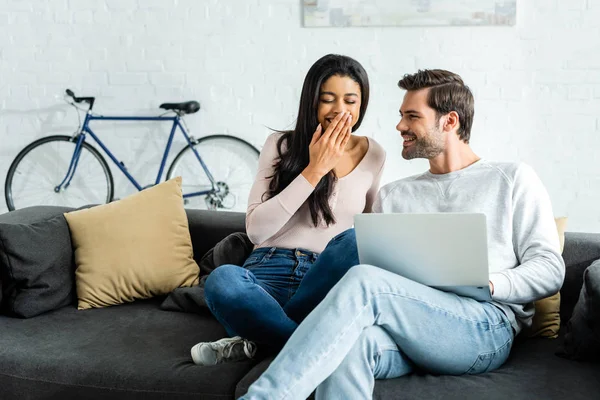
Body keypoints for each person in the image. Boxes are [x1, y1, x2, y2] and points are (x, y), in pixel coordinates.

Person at [240, 69, 565, 399]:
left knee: (365, 281)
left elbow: (551, 270)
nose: (399, 127)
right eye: (401, 116)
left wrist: (489, 282)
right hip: (409, 325)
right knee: (345, 345)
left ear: (449, 121)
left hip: (484, 325)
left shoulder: (510, 179)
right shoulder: (395, 195)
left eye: (412, 116)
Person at [190, 54, 386, 366]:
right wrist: (314, 170)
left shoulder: (373, 153)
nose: (340, 110)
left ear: (361, 104)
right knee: (222, 281)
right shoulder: (280, 144)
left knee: (354, 240)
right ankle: (307, 348)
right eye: (327, 99)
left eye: (350, 100)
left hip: (326, 276)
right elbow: (255, 230)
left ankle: (257, 340)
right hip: (268, 270)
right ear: (311, 102)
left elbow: (369, 233)